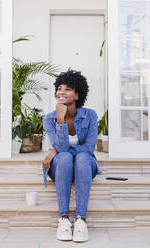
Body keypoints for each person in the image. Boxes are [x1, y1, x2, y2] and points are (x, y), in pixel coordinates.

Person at [42, 69, 102, 242]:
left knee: (82, 157)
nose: (62, 92)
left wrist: (54, 151)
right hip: (62, 166)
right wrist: (60, 120)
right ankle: (64, 219)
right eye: (59, 88)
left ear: (77, 95)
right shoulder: (50, 119)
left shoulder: (90, 115)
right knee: (65, 157)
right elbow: (61, 147)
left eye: (68, 89)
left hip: (84, 166)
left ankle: (81, 220)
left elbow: (89, 148)